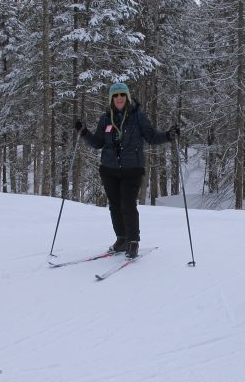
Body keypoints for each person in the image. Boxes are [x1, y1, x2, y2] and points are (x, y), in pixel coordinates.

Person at [75, 82, 177, 259]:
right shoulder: (106, 118)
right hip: (109, 169)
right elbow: (99, 142)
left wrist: (168, 135)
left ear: (127, 97)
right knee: (114, 206)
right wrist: (84, 133)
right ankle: (121, 239)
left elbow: (151, 137)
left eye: (122, 95)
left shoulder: (138, 116)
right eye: (115, 96)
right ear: (111, 99)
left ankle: (133, 241)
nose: (119, 98)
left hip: (132, 169)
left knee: (128, 205)